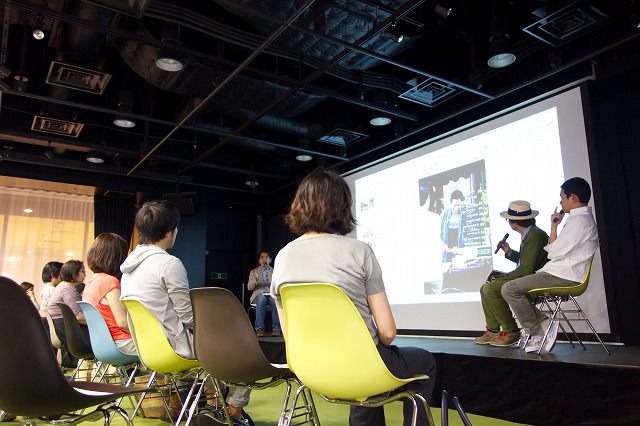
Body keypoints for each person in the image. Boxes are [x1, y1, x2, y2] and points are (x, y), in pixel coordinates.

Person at [270, 167, 436, 426]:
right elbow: (388, 333)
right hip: (362, 369)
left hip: (312, 371)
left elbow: (290, 334)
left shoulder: (281, 257)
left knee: (365, 370)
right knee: (425, 361)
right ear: (342, 206)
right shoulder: (359, 251)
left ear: (299, 205)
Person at [119, 200, 251, 425]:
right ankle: (232, 413)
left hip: (148, 351)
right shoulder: (168, 264)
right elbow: (189, 317)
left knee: (217, 343)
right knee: (241, 346)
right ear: (169, 232)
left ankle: (213, 407)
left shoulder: (128, 269)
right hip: (175, 347)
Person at [502, 177, 599, 353]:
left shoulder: (580, 221)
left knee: (509, 289)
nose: (560, 202)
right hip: (558, 273)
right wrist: (554, 226)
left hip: (563, 276)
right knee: (510, 288)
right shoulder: (577, 220)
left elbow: (552, 252)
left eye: (562, 197)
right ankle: (541, 324)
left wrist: (554, 230)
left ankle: (537, 329)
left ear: (573, 198)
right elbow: (554, 250)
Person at [474, 200, 549, 347]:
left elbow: (527, 269)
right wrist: (509, 252)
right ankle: (493, 330)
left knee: (490, 288)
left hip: (534, 281)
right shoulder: (531, 234)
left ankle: (511, 331)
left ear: (513, 222)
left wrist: (504, 277)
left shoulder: (535, 235)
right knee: (485, 288)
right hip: (529, 278)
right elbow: (526, 262)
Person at [82, 233, 136, 354]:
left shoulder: (91, 282)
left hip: (101, 344)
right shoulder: (110, 282)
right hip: (122, 343)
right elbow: (122, 322)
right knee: (170, 344)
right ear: (117, 257)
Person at [46, 259, 88, 368]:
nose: (85, 274)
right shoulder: (68, 290)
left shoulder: (61, 287)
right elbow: (79, 317)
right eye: (83, 271)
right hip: (67, 331)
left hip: (61, 328)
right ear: (74, 275)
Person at [247, 250, 281, 337]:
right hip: (258, 295)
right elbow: (249, 288)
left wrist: (271, 278)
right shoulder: (253, 272)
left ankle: (276, 329)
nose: (264, 259)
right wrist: (255, 280)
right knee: (262, 299)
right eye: (262, 257)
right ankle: (259, 328)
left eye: (266, 257)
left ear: (270, 260)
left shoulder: (275, 271)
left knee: (275, 300)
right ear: (259, 260)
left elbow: (278, 286)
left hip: (270, 293)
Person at [440, 189, 465, 262]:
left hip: (458, 247)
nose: (456, 208)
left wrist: (457, 246)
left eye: (459, 205)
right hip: (446, 247)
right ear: (450, 202)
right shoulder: (444, 214)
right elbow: (437, 233)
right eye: (454, 205)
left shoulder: (463, 214)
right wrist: (441, 243)